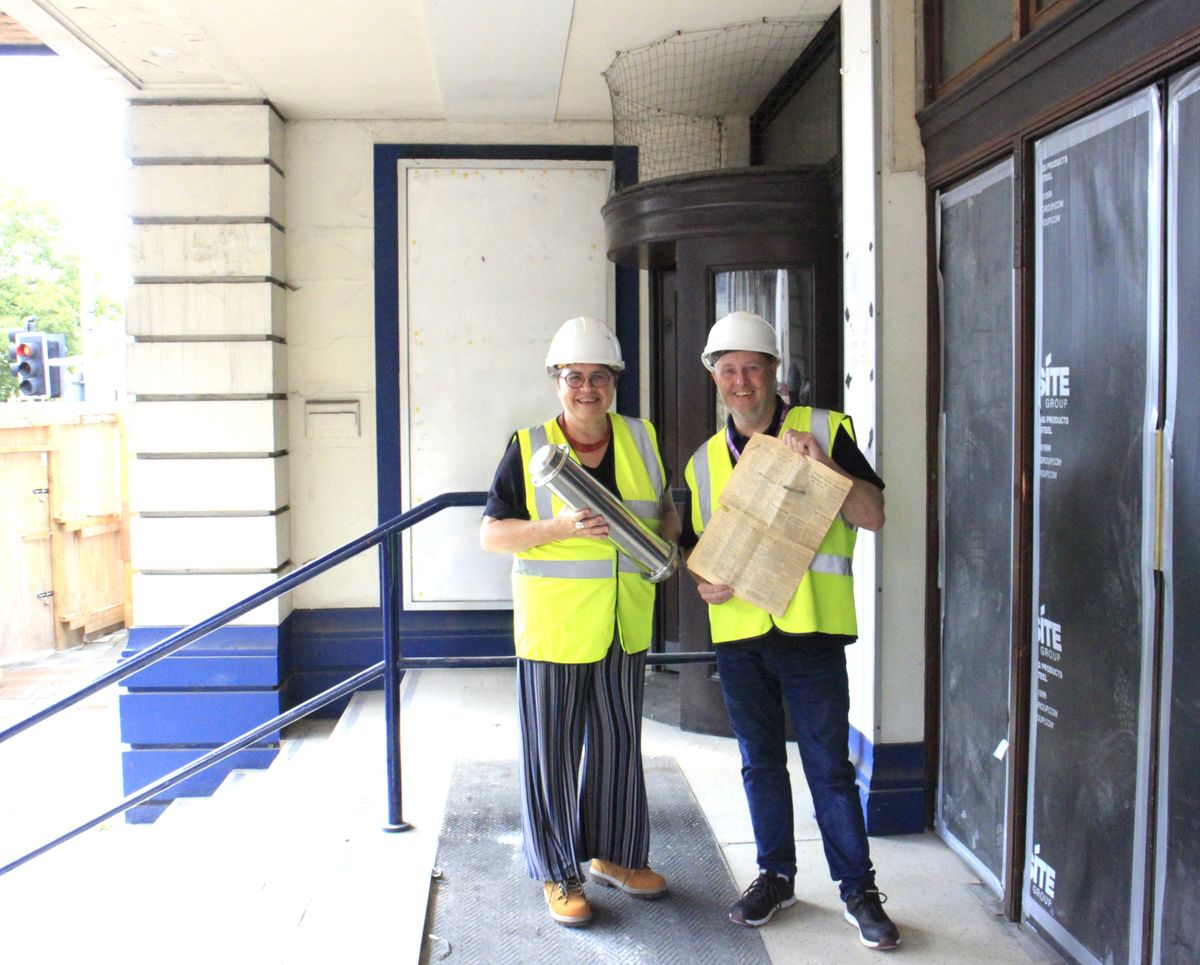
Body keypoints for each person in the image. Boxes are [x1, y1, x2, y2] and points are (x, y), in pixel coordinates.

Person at [681, 310, 900, 950]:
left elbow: (873, 515)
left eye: (752, 368)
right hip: (740, 638)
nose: (740, 381)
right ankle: (775, 877)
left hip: (811, 633)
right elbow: (696, 548)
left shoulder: (825, 429)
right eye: (728, 370)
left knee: (829, 767)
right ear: (715, 378)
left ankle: (858, 889)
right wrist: (702, 580)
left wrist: (826, 466)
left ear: (775, 373)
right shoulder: (701, 463)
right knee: (759, 764)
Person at [480, 315, 680, 928]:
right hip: (556, 628)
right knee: (553, 752)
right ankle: (558, 871)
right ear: (556, 380)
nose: (587, 388)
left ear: (615, 381)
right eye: (574, 376)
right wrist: (558, 527)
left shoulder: (641, 437)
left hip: (624, 622)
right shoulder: (529, 447)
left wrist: (667, 542)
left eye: (599, 376)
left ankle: (616, 856)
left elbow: (664, 510)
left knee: (619, 742)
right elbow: (492, 534)